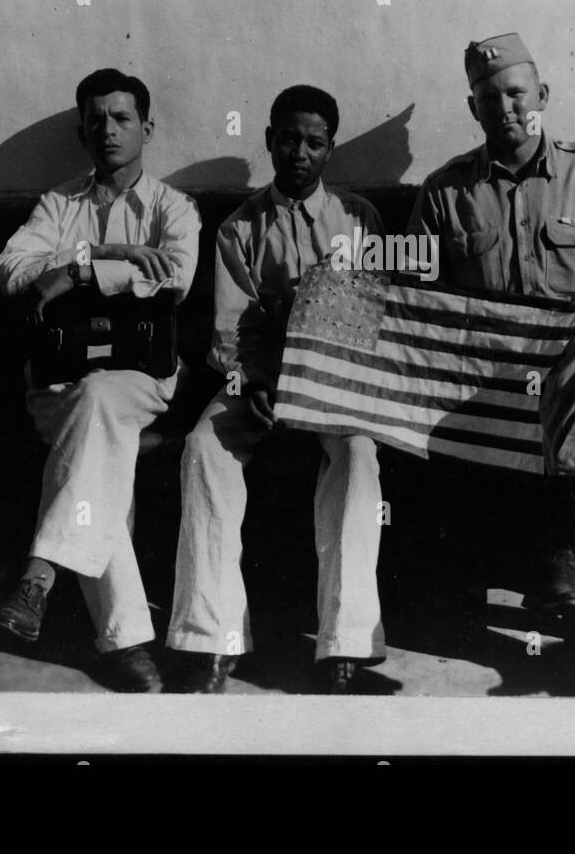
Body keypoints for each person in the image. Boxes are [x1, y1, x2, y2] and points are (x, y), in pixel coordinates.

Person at [407, 33, 575, 696]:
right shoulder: (445, 191)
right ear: (472, 108)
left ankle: (567, 549)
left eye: (517, 94)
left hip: (569, 360)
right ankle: (569, 573)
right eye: (489, 99)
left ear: (542, 97)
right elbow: (422, 298)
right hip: (485, 372)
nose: (505, 108)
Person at [166, 85, 387, 695]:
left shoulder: (360, 220)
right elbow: (230, 332)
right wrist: (257, 382)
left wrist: (320, 372)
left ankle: (344, 642)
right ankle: (211, 637)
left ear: (330, 150)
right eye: (288, 139)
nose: (299, 152)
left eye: (315, 142)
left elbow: (371, 321)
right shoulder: (239, 229)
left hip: (335, 385)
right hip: (257, 382)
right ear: (269, 141)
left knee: (360, 456)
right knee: (202, 449)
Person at [0, 68, 201, 693]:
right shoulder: (59, 205)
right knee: (94, 427)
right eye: (95, 119)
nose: (107, 129)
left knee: (101, 403)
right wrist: (105, 259)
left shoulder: (173, 207)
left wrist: (78, 275)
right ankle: (129, 642)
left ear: (146, 127)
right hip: (58, 384)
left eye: (121, 117)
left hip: (142, 380)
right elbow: (13, 270)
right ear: (82, 129)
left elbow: (174, 279)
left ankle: (41, 574)